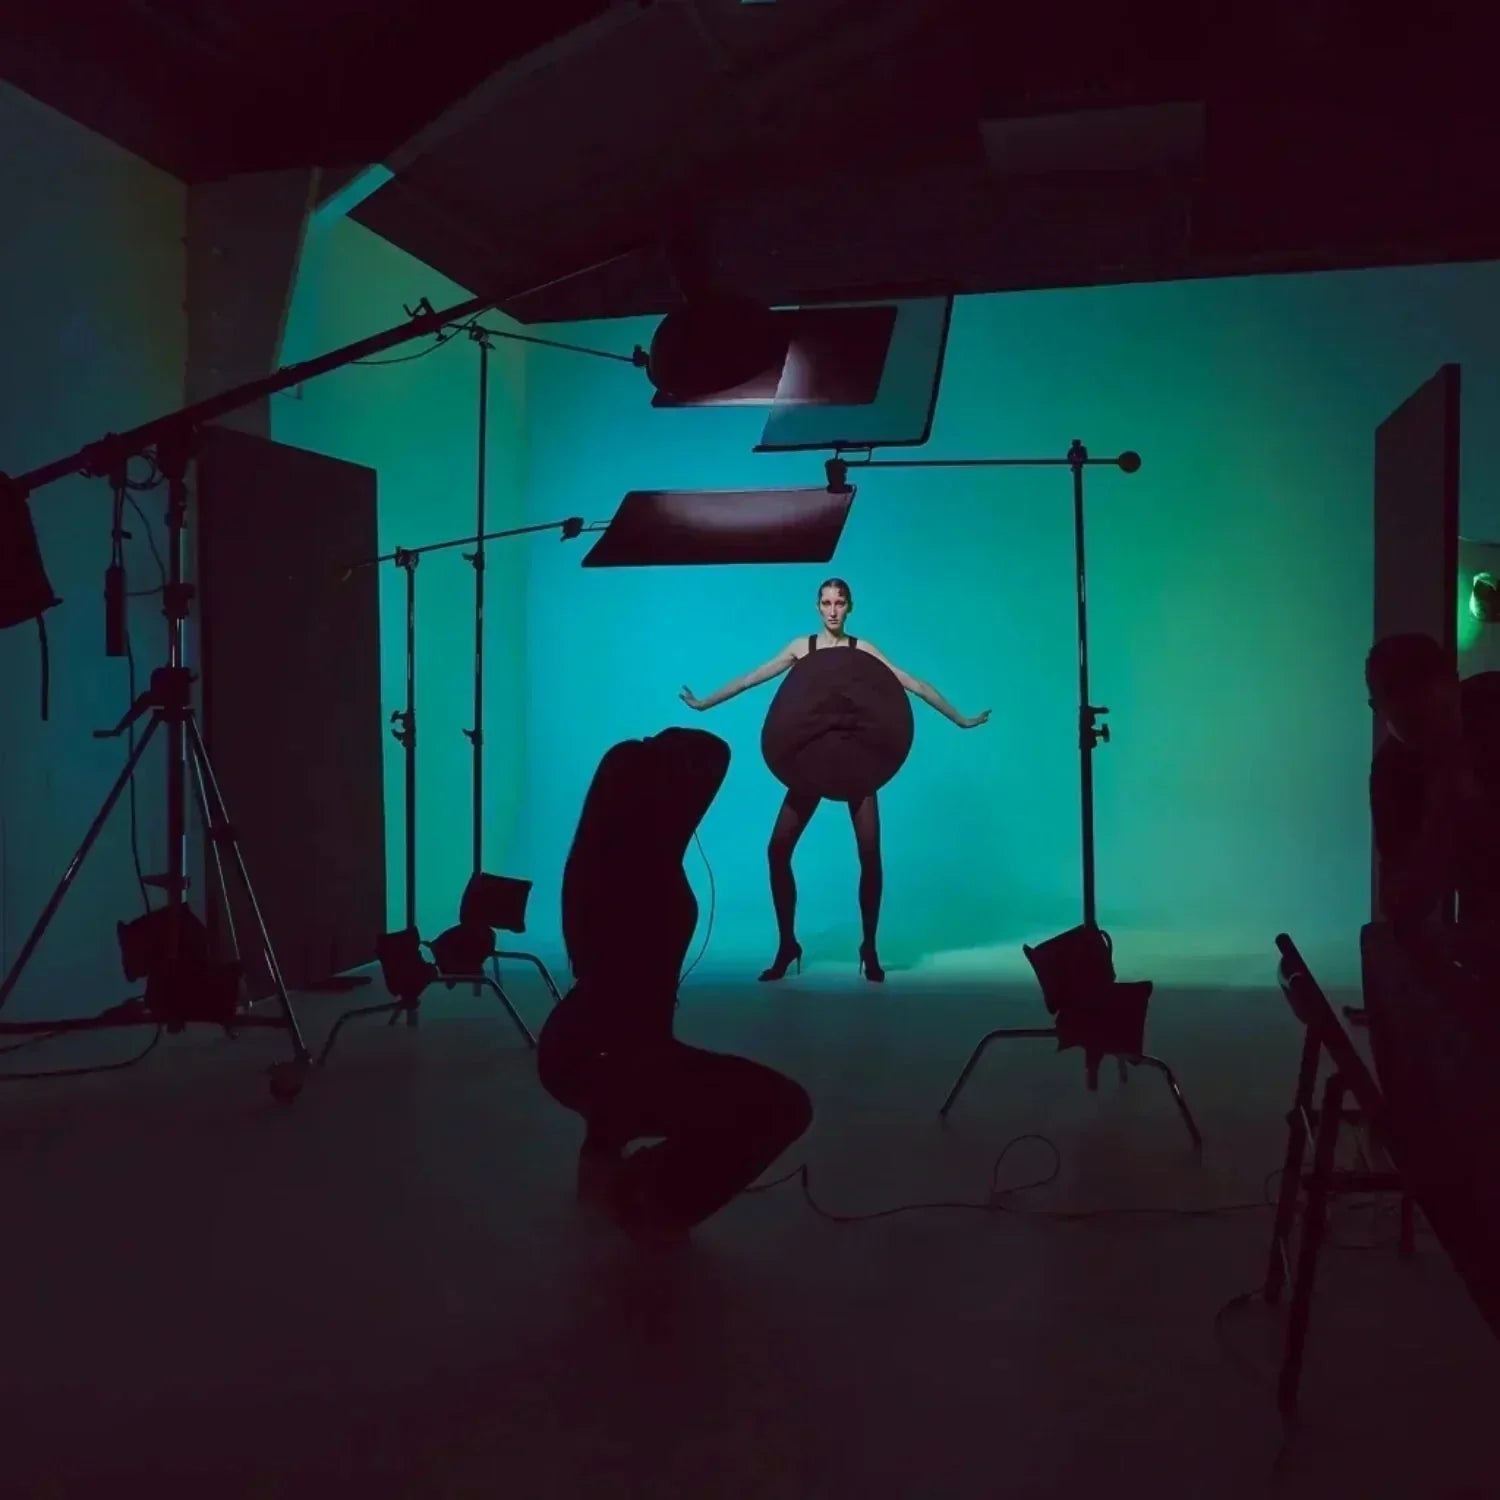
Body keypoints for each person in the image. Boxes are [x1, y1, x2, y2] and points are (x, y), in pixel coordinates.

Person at [535, 727, 812, 1245]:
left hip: (579, 1046)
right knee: (783, 1106)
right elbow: (631, 1008)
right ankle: (643, 1202)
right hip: (600, 1052)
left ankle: (616, 1178)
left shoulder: (608, 860)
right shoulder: (642, 877)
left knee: (648, 1065)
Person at [680, 577, 989, 983]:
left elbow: (912, 683)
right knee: (777, 851)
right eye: (826, 602)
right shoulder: (800, 648)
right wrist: (705, 703)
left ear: (850, 607)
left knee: (869, 854)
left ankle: (869, 947)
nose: (832, 610)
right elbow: (751, 678)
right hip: (811, 761)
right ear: (817, 606)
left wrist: (960, 719)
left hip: (857, 762)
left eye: (839, 603)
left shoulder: (862, 651)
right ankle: (788, 945)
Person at [1367, 632, 1500, 943]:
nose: (1412, 703)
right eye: (1396, 691)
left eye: (1420, 685)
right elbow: (1402, 904)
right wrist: (1442, 809)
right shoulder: (1393, 771)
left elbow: (1402, 904)